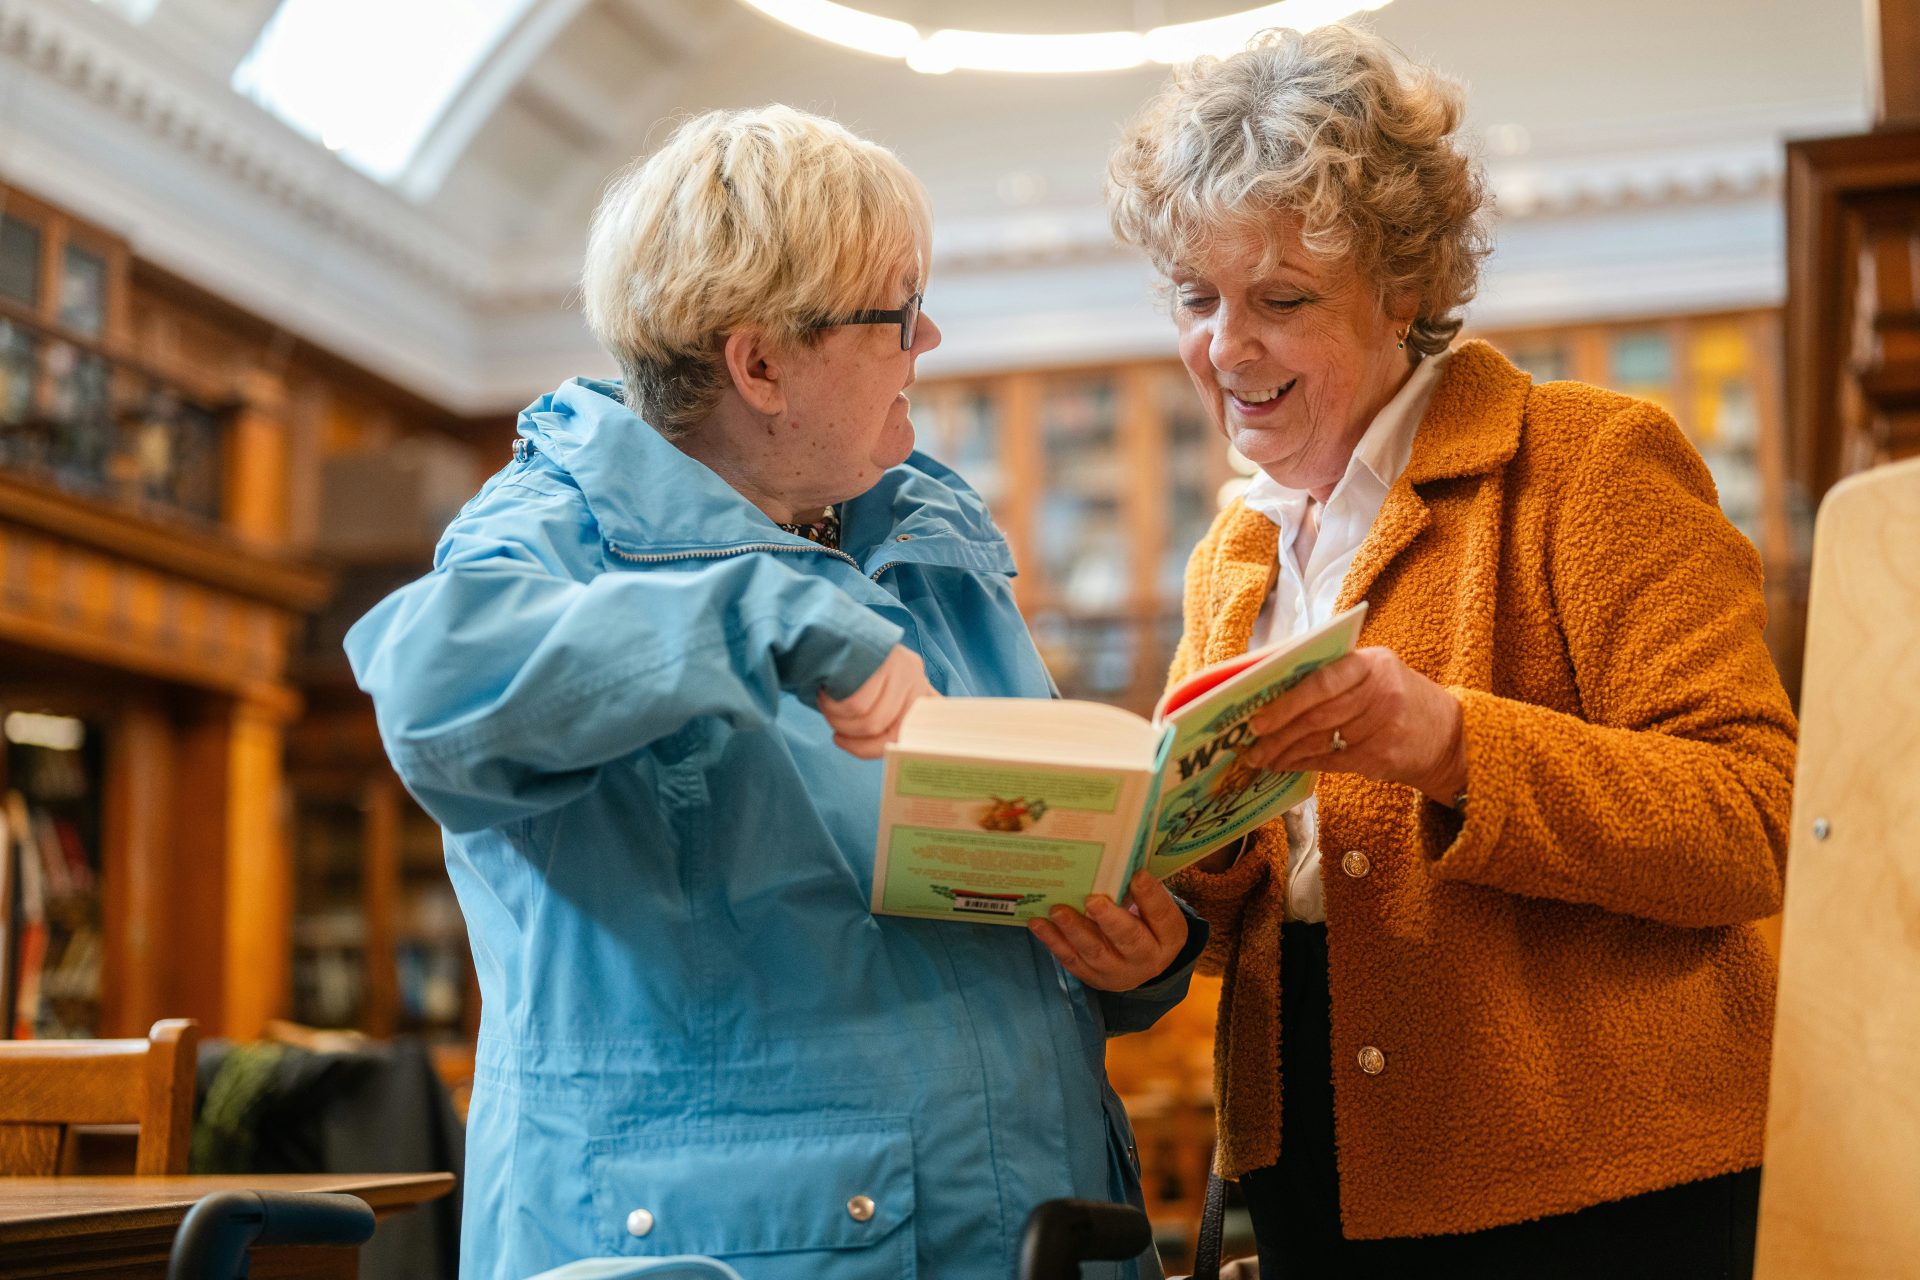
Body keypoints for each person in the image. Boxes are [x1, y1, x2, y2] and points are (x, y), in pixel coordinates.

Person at [347, 104, 1199, 1280]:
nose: (931, 333)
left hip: (1032, 1232)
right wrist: (764, 614)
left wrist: (1130, 958)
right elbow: (432, 696)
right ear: (760, 363)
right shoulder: (554, 530)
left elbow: (1006, 888)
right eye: (900, 312)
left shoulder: (931, 539)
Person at [1105, 24, 1797, 1279]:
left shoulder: (1588, 463)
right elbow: (1250, 888)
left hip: (1600, 1191)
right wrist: (1158, 906)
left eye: (1282, 300)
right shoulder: (1233, 555)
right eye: (1197, 299)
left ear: (1405, 284)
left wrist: (1450, 740)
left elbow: (1754, 820)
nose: (1226, 347)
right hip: (1316, 1181)